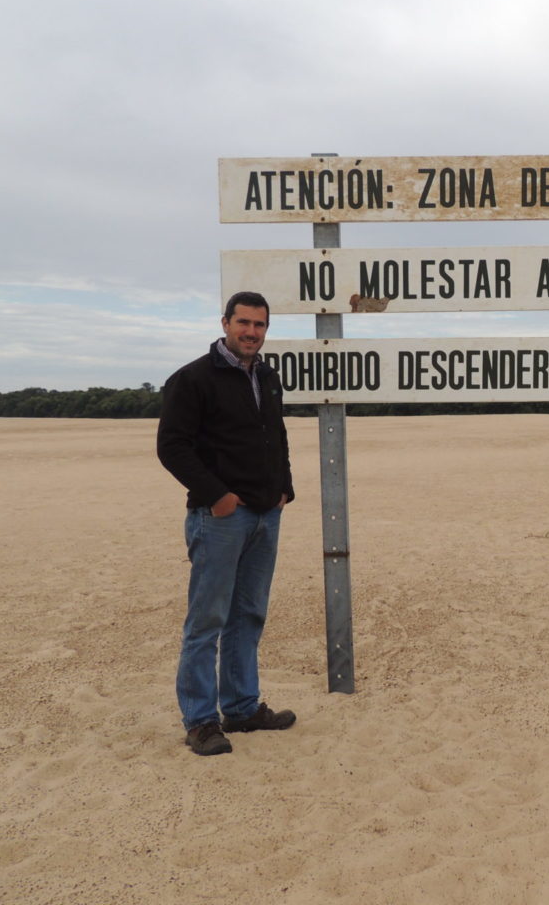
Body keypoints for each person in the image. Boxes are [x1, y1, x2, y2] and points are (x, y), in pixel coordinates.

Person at [157, 291, 297, 756]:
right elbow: (172, 447)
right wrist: (218, 497)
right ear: (225, 323)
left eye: (259, 325)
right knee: (207, 620)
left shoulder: (268, 377)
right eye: (244, 323)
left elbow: (275, 434)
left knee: (248, 614)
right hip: (219, 518)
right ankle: (200, 721)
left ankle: (240, 707)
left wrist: (284, 489)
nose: (251, 333)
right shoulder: (193, 378)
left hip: (264, 515)